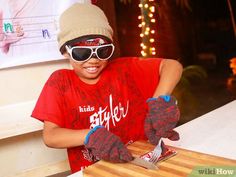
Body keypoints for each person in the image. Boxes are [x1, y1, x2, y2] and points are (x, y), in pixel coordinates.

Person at [31, 3, 183, 174]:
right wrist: (89, 135)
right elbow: (50, 136)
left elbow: (172, 66)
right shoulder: (60, 83)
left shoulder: (124, 70)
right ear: (66, 51)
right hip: (96, 171)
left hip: (141, 166)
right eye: (82, 53)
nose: (93, 60)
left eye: (102, 51)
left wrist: (159, 101)